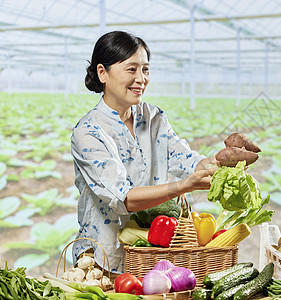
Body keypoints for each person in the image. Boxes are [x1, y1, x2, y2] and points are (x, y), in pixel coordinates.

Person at [70, 30, 219, 275]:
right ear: (102, 72)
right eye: (131, 69)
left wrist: (214, 163)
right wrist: (185, 186)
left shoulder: (153, 117)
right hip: (103, 260)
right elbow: (124, 198)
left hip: (149, 251)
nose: (141, 79)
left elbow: (183, 157)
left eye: (145, 69)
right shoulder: (88, 132)